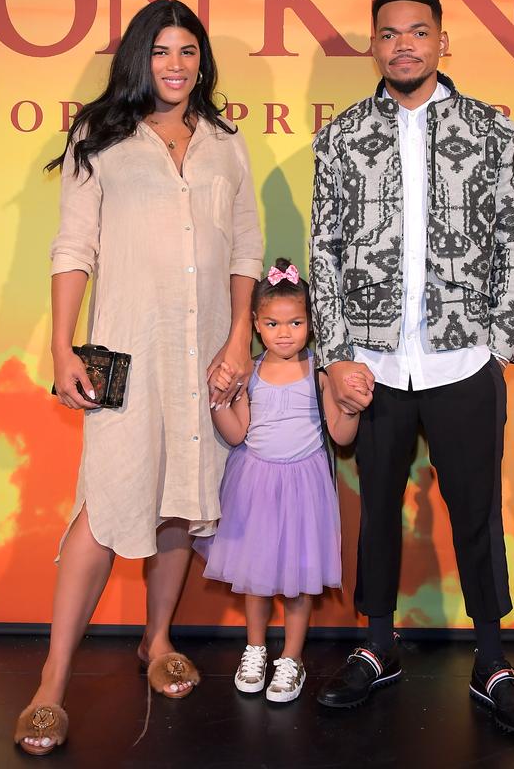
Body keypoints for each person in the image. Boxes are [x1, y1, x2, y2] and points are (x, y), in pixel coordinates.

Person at [14, 0, 263, 755]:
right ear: (138, 59)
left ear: (202, 61)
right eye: (160, 52)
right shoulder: (101, 136)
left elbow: (247, 247)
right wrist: (62, 347)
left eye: (188, 52)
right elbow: (72, 248)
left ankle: (156, 643)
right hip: (122, 349)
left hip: (206, 356)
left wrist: (239, 340)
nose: (175, 66)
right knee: (104, 502)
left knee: (182, 502)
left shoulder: (224, 141)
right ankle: (52, 681)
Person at [309, 0, 514, 736]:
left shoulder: (489, 130)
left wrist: (499, 340)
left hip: (462, 362)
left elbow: (513, 236)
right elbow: (326, 250)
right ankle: (378, 648)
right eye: (389, 33)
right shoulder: (343, 136)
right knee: (376, 512)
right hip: (373, 367)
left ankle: (493, 661)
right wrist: (338, 355)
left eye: (418, 31)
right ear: (373, 44)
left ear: (443, 41)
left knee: (475, 512)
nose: (403, 44)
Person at [197, 259, 371, 703]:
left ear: (311, 324)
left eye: (295, 322)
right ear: (255, 324)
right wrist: (217, 401)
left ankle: (291, 658)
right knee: (256, 578)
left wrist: (349, 408)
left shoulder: (321, 373)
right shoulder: (249, 372)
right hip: (254, 483)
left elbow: (341, 437)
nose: (285, 332)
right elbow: (238, 433)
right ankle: (255, 648)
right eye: (273, 323)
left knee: (298, 580)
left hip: (304, 486)